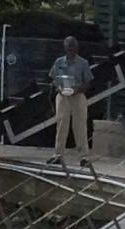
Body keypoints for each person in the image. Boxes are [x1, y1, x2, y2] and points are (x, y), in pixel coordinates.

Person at [48, 36, 94, 167]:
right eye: (69, 49)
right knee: (61, 125)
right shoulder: (59, 62)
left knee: (79, 126)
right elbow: (54, 79)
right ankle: (58, 155)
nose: (71, 52)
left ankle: (84, 156)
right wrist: (59, 87)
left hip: (77, 96)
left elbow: (87, 82)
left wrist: (76, 90)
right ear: (65, 49)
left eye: (73, 49)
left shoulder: (83, 63)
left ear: (77, 49)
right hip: (63, 96)